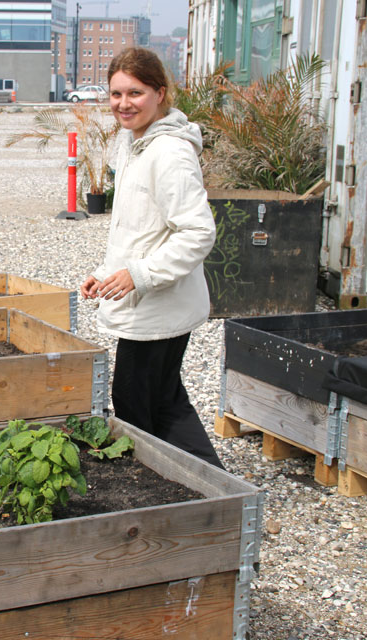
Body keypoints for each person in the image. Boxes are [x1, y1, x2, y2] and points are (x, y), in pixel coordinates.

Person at [81, 47, 224, 469]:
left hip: (158, 304)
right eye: (116, 94)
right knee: (163, 398)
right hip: (149, 299)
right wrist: (107, 275)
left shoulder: (169, 154)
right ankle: (213, 491)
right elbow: (139, 229)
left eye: (136, 93)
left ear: (160, 94)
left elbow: (198, 233)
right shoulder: (136, 143)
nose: (124, 104)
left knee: (135, 402)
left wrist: (139, 275)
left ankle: (174, 490)